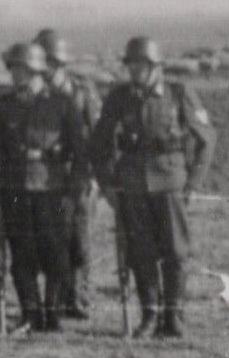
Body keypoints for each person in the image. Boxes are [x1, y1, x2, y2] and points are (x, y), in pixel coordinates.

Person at [90, 37, 216, 338]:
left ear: (156, 67)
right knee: (141, 252)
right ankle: (150, 315)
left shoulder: (178, 93)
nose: (136, 71)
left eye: (142, 65)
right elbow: (98, 145)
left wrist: (193, 183)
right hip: (133, 186)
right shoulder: (119, 97)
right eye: (132, 65)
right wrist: (108, 184)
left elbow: (207, 139)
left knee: (176, 252)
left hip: (171, 183)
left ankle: (174, 318)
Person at [0, 43, 86, 331]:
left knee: (56, 254)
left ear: (37, 70)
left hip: (52, 189)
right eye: (13, 69)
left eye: (21, 69)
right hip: (14, 190)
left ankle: (52, 313)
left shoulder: (62, 104)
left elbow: (80, 154)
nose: (15, 75)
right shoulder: (2, 105)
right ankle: (30, 313)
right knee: (21, 254)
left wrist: (74, 192)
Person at [37, 31, 101, 318]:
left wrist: (89, 176)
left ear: (59, 63)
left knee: (80, 240)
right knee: (54, 239)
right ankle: (61, 298)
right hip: (50, 177)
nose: (44, 69)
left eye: (48, 63)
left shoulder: (82, 93)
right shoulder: (40, 94)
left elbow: (96, 136)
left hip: (79, 176)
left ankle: (80, 297)